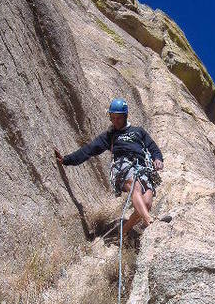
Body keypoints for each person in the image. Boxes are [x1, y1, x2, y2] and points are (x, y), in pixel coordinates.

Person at [54, 98, 168, 236]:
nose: (115, 121)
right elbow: (89, 150)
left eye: (118, 118)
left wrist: (158, 159)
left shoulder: (139, 132)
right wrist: (67, 160)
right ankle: (149, 222)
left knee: (147, 204)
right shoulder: (110, 136)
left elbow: (153, 148)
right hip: (123, 167)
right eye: (112, 118)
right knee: (134, 186)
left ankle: (123, 232)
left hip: (143, 168)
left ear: (125, 116)